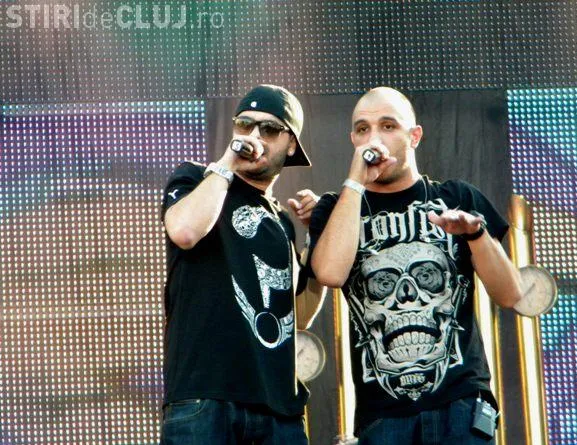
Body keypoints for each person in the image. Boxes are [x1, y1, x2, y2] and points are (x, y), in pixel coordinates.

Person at [308, 87, 523, 444]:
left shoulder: (456, 197)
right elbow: (330, 273)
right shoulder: (336, 208)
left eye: (388, 126)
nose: (374, 138)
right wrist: (356, 182)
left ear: (414, 136)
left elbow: (510, 294)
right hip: (383, 417)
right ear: (353, 140)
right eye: (362, 129)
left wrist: (475, 234)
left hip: (460, 404)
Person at [160, 84, 325, 445]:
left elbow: (299, 314)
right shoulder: (195, 179)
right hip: (205, 399)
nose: (254, 136)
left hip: (277, 409)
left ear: (291, 144)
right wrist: (227, 164)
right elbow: (184, 231)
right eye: (245, 124)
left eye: (269, 129)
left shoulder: (281, 223)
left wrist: (316, 237)